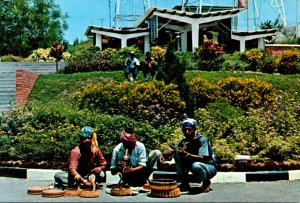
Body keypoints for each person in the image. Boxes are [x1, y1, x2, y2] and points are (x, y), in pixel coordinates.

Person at [175, 118, 217, 193]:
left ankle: (206, 182)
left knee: (196, 165)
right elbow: (176, 149)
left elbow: (202, 157)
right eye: (184, 130)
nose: (186, 132)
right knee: (177, 153)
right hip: (194, 165)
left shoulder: (202, 140)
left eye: (189, 129)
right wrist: (162, 154)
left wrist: (187, 154)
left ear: (194, 129)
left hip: (209, 167)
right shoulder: (185, 140)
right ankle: (184, 182)